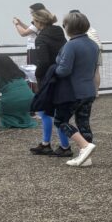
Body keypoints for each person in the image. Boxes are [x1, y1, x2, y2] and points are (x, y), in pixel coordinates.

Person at [52, 11, 100, 167]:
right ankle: (86, 157)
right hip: (89, 90)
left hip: (73, 92)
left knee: (60, 121)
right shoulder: (93, 45)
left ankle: (85, 146)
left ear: (67, 27)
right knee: (83, 122)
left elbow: (63, 70)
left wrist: (56, 65)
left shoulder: (70, 45)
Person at [28, 10, 71, 156]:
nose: (33, 24)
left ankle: (60, 146)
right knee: (58, 110)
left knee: (44, 110)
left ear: (39, 22)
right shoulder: (59, 32)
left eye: (33, 21)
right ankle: (51, 144)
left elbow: (44, 61)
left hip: (47, 77)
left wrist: (36, 74)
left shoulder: (41, 39)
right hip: (61, 74)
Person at [0, 56, 36, 129]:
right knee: (18, 106)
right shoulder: (20, 73)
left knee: (0, 106)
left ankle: (10, 122)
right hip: (30, 101)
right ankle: (22, 120)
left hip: (11, 102)